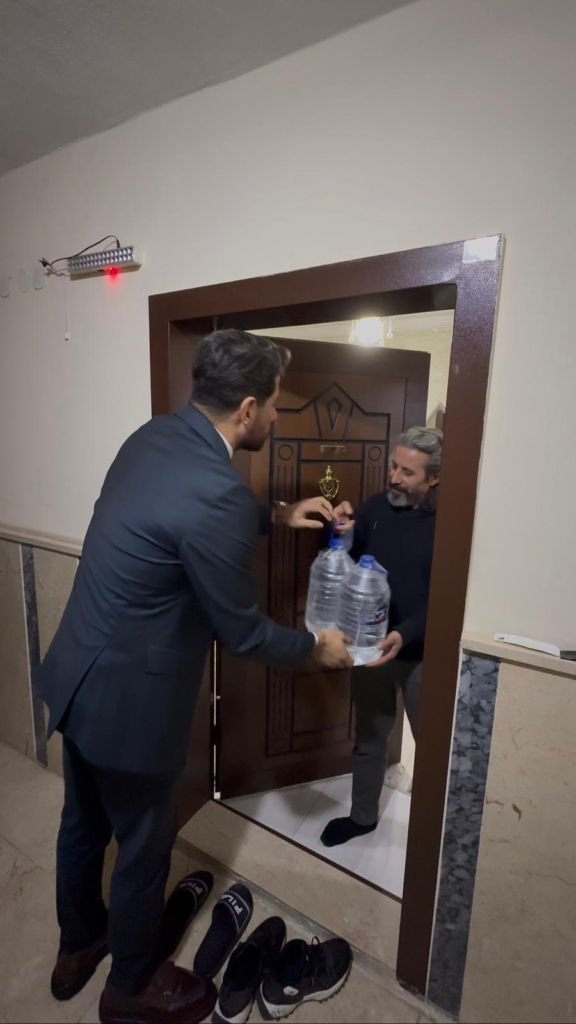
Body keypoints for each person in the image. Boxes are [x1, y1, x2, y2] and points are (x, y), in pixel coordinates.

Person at [37, 329, 352, 1024]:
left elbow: (177, 518)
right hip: (133, 706)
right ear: (247, 408)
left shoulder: (150, 438)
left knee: (82, 826)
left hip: (77, 674)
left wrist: (276, 514)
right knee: (144, 847)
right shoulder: (218, 492)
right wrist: (317, 651)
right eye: (275, 404)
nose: (277, 416)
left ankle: (77, 948)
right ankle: (130, 989)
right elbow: (242, 631)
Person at [320, 426, 442, 848]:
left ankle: (437, 834)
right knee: (370, 736)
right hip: (370, 646)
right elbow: (347, 562)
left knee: (435, 749)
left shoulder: (451, 524)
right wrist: (340, 530)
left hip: (423, 654)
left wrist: (405, 633)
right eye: (394, 466)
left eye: (407, 472)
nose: (394, 478)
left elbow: (450, 599)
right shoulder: (375, 508)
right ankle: (362, 817)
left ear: (434, 478)